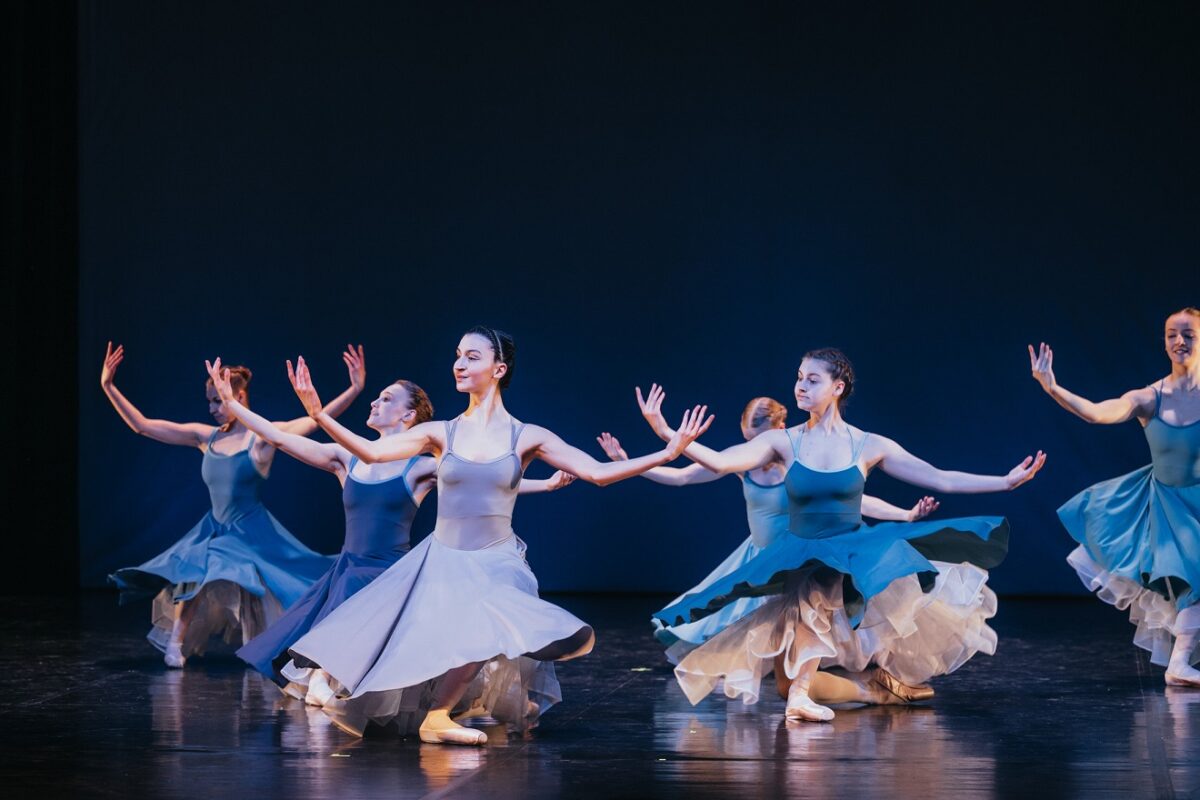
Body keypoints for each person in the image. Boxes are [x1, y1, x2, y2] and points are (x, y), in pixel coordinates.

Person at [283, 326, 712, 744]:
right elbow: (373, 452)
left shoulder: (527, 436)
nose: (459, 364)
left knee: (484, 621)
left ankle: (438, 717)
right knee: (433, 643)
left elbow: (597, 473)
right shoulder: (440, 432)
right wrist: (319, 415)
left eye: (472, 357)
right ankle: (451, 710)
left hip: (496, 557)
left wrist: (666, 453)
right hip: (443, 558)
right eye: (457, 356)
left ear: (499, 369)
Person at [644, 347, 1045, 722]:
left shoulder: (868, 445)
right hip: (798, 552)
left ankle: (803, 695)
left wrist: (1004, 482)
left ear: (838, 388)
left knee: (814, 586)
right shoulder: (781, 441)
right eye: (799, 377)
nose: (800, 386)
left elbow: (940, 478)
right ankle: (872, 691)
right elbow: (719, 462)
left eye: (812, 379)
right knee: (784, 682)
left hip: (849, 554)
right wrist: (668, 435)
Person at [205, 360, 575, 704]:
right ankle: (323, 676)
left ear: (408, 415)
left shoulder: (420, 467)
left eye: (386, 398)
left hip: (391, 573)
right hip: (350, 568)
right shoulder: (345, 458)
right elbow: (279, 438)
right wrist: (231, 404)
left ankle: (330, 678)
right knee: (341, 602)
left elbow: (483, 480)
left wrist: (545, 485)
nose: (374, 402)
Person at [596, 395, 937, 663]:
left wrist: (905, 515)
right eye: (748, 441)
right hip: (760, 556)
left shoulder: (801, 461)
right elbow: (682, 477)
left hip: (801, 559)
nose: (754, 449)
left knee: (818, 630)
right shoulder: (743, 462)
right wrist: (627, 464)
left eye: (757, 441)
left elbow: (857, 502)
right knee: (736, 629)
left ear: (779, 429)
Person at [104, 342, 365, 667]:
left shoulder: (263, 438)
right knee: (198, 568)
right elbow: (143, 425)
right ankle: (176, 643)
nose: (212, 408)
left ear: (238, 397)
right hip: (214, 527)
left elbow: (314, 421)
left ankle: (267, 645)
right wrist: (108, 386)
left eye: (218, 400)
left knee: (268, 581)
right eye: (210, 401)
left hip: (251, 530)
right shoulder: (206, 436)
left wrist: (355, 389)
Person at [1031, 306, 1200, 687]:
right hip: (1167, 507)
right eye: (1172, 334)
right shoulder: (1150, 397)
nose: (1179, 341)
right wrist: (1053, 387)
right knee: (1195, 579)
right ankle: (1179, 664)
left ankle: (1179, 664)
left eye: (1188, 334)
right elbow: (1097, 413)